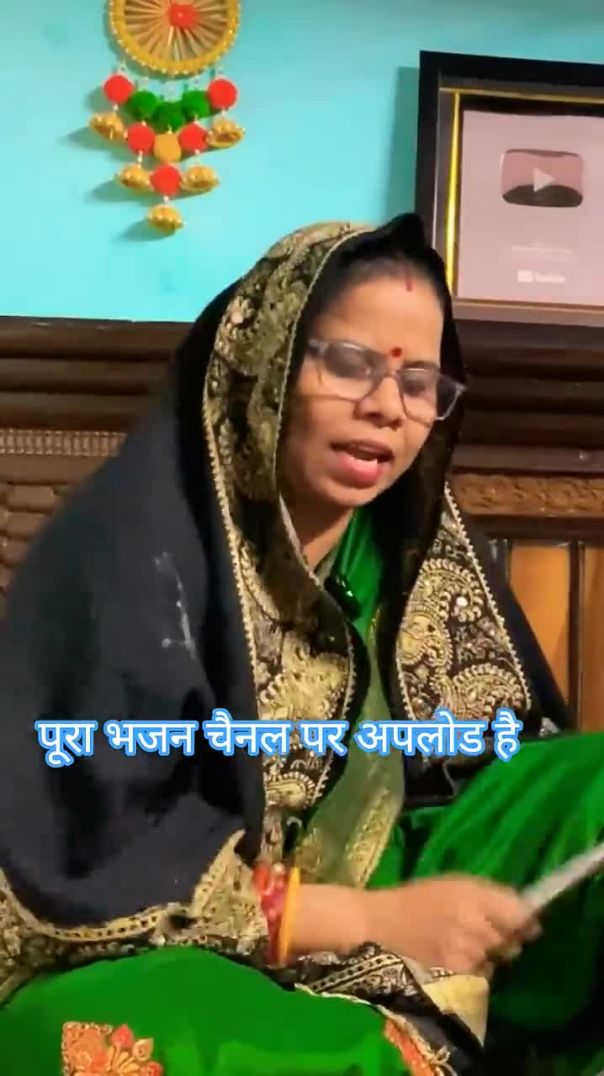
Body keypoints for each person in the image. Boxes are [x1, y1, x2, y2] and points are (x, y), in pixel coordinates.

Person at [0, 214, 603, 1076]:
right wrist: (366, 921)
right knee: (120, 1039)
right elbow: (92, 869)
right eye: (350, 364)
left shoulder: (406, 544)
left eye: (421, 382)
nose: (387, 407)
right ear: (269, 362)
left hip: (395, 876)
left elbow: (484, 770)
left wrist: (454, 900)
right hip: (166, 944)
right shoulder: (129, 556)